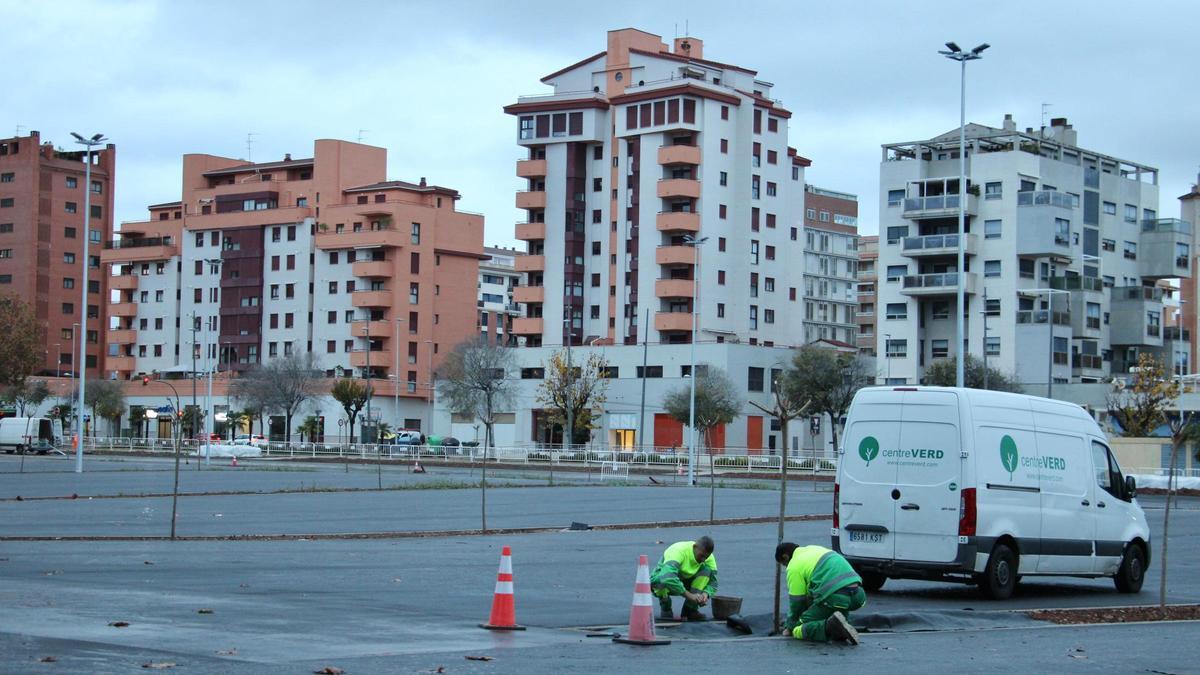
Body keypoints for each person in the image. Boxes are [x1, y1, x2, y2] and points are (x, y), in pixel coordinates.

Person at [775, 542, 864, 645]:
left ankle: (830, 627)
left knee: (798, 628)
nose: (785, 567)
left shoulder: (794, 566)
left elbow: (797, 602)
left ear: (785, 557)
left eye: (784, 564)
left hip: (835, 597)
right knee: (834, 611)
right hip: (857, 596)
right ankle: (841, 625)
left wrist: (790, 626)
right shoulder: (814, 549)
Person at [650, 537, 718, 621]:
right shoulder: (678, 551)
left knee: (707, 571)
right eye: (701, 556)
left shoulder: (709, 558)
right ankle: (666, 606)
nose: (703, 560)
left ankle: (690, 610)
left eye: (706, 557)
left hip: (683, 581)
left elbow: (713, 582)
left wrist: (705, 594)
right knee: (661, 580)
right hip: (666, 581)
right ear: (694, 547)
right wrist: (690, 596)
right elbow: (668, 577)